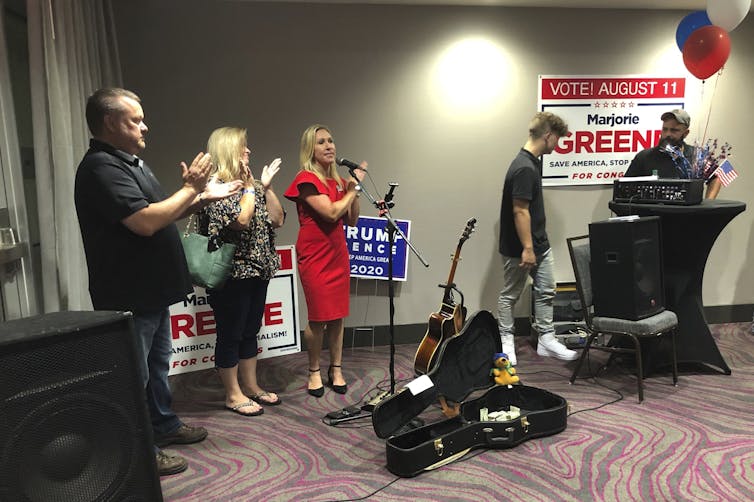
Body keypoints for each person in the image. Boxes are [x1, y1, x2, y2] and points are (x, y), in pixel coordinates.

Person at [74, 88, 241, 476]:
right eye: (136, 119)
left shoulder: (131, 163)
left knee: (157, 365)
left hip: (151, 290)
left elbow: (161, 212)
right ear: (112, 123)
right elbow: (145, 222)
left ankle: (163, 426)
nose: (145, 125)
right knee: (135, 374)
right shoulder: (101, 167)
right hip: (129, 291)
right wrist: (191, 189)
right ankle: (141, 449)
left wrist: (201, 198)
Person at [198, 127, 285, 416]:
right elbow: (242, 220)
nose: (248, 151)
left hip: (258, 270)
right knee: (231, 334)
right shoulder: (215, 186)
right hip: (231, 275)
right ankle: (233, 394)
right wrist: (249, 188)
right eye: (243, 147)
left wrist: (267, 187)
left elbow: (277, 219)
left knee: (250, 330)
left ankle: (251, 387)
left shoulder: (253, 185)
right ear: (228, 150)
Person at [283, 124, 366, 397]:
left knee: (338, 316)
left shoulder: (340, 182)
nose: (329, 146)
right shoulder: (306, 178)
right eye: (321, 142)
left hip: (337, 253)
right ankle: (314, 370)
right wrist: (352, 191)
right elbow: (331, 214)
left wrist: (353, 188)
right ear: (311, 149)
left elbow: (351, 219)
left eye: (331, 141)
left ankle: (337, 368)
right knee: (318, 317)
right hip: (315, 254)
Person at [497, 112, 579, 366]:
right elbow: (519, 210)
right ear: (548, 136)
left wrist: (536, 245)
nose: (559, 145)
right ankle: (506, 340)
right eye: (559, 140)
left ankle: (546, 339)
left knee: (546, 290)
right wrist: (528, 249)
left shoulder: (533, 161)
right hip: (520, 248)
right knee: (510, 295)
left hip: (539, 244)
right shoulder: (523, 167)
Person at [624, 109, 721, 199]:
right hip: (653, 214)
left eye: (674, 130)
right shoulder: (645, 157)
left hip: (687, 215)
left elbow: (716, 177)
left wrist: (708, 204)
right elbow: (625, 186)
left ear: (686, 133)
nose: (667, 134)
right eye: (665, 129)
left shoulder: (697, 156)